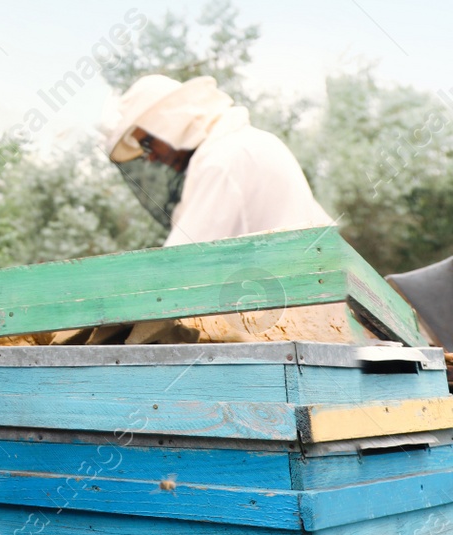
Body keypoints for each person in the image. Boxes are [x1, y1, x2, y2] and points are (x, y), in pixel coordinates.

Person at [95, 73, 358, 344]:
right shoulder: (250, 142)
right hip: (307, 321)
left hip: (287, 329)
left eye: (148, 142)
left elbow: (178, 270)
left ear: (169, 123)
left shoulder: (223, 161)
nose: (150, 157)